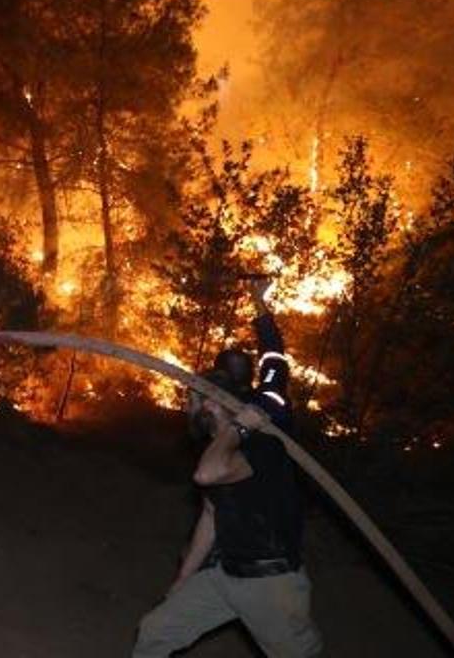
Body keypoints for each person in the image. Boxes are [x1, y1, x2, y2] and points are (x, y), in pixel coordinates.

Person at [131, 370, 322, 657]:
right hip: (224, 576)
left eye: (192, 400)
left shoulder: (262, 445)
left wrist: (239, 427)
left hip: (271, 585)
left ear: (212, 404)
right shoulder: (217, 449)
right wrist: (184, 578)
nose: (187, 407)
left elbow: (208, 475)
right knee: (155, 632)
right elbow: (210, 516)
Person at [212, 277, 294, 434]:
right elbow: (274, 356)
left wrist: (258, 299)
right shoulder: (265, 400)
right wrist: (258, 299)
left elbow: (273, 358)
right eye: (238, 365)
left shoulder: (210, 406)